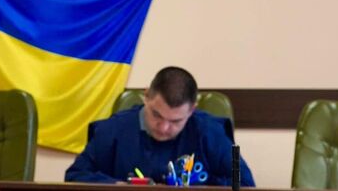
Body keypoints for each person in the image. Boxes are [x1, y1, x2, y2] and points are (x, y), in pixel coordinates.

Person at [65, 66, 255, 186]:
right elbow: (74, 175)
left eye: (175, 121)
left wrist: (204, 186)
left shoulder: (214, 131)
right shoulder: (110, 129)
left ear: (192, 110)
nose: (163, 127)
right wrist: (117, 186)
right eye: (156, 114)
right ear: (146, 96)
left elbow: (246, 182)